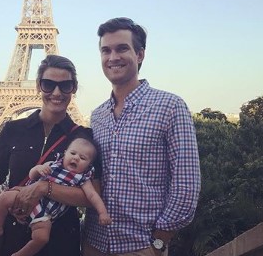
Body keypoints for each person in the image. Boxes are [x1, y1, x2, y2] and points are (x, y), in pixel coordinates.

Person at [83, 17, 201, 256]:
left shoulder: (170, 106)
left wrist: (158, 243)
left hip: (141, 247)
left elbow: (186, 184)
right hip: (93, 243)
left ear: (140, 55)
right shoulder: (97, 116)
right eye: (106, 50)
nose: (113, 57)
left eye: (122, 48)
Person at [0, 54, 96, 256]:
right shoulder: (12, 129)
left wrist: (44, 188)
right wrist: (9, 204)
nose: (57, 92)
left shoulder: (83, 137)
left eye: (65, 86)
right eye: (48, 84)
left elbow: (90, 196)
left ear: (74, 88)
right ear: (38, 86)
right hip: (13, 238)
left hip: (59, 241)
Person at [0, 136, 111, 256]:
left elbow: (93, 196)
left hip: (44, 214)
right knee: (4, 197)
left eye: (82, 158)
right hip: (25, 197)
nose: (76, 158)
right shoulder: (52, 164)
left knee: (42, 238)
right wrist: (38, 169)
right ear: (65, 153)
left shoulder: (83, 179)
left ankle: (21, 254)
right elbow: (32, 175)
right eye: (73, 153)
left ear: (89, 165)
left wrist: (103, 213)